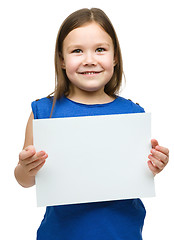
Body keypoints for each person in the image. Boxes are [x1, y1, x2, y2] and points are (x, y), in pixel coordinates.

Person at [14, 8, 169, 240]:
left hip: (122, 233)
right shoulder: (44, 111)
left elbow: (134, 175)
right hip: (61, 234)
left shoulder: (132, 113)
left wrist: (155, 165)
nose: (89, 60)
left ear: (114, 57)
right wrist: (26, 168)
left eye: (100, 50)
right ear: (62, 60)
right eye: (77, 51)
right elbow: (24, 180)